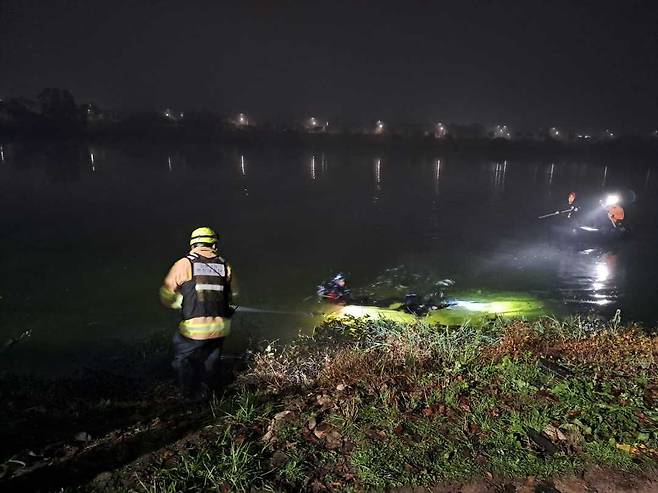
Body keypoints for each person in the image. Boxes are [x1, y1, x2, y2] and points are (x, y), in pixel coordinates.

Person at [160, 227, 235, 401]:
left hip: (194, 329)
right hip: (220, 328)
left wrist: (177, 302)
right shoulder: (224, 265)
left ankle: (188, 397)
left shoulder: (185, 263)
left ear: (193, 244)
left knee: (182, 360)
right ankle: (211, 397)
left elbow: (166, 293)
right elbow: (232, 295)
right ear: (214, 244)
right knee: (211, 360)